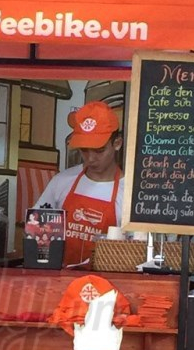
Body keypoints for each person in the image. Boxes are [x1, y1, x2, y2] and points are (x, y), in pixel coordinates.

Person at [32, 101, 126, 267]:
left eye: (99, 150)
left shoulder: (128, 193)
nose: (90, 158)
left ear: (117, 143)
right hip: (60, 278)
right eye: (84, 150)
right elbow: (37, 229)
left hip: (106, 281)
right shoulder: (61, 182)